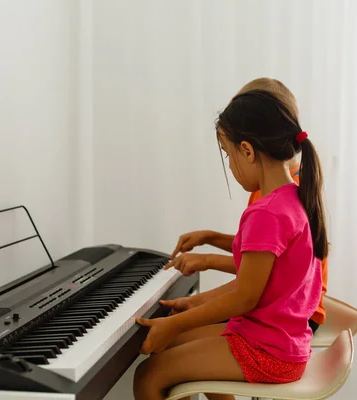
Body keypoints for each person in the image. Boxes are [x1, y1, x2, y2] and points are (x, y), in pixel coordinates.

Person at [132, 82, 328, 400]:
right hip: (277, 341)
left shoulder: (267, 212)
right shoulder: (294, 198)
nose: (230, 165)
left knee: (148, 377)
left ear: (247, 151)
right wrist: (189, 311)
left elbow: (244, 298)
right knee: (175, 349)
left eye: (228, 154)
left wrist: (175, 324)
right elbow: (259, 285)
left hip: (267, 351)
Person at [163, 78, 328, 332]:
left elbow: (260, 277)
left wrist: (206, 262)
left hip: (291, 315)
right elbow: (258, 256)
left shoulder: (279, 200)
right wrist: (210, 238)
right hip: (284, 308)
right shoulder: (286, 189)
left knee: (177, 335)